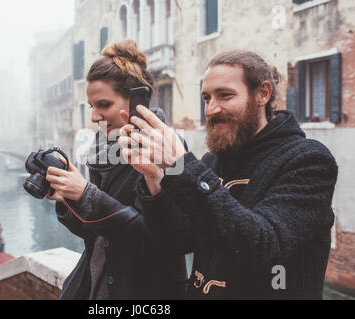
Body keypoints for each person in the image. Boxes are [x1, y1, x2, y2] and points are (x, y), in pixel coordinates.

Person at [118, 50, 338, 299]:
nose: (211, 109)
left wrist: (183, 165)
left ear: (263, 94)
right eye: (206, 98)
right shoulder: (213, 160)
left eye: (225, 95)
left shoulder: (308, 160)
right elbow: (178, 240)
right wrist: (154, 178)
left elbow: (264, 246)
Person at [45, 39, 187, 300]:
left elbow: (158, 240)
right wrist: (69, 199)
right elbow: (95, 232)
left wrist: (86, 194)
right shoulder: (101, 152)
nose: (94, 117)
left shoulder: (170, 151)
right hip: (97, 286)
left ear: (135, 101)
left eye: (104, 105)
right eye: (91, 106)